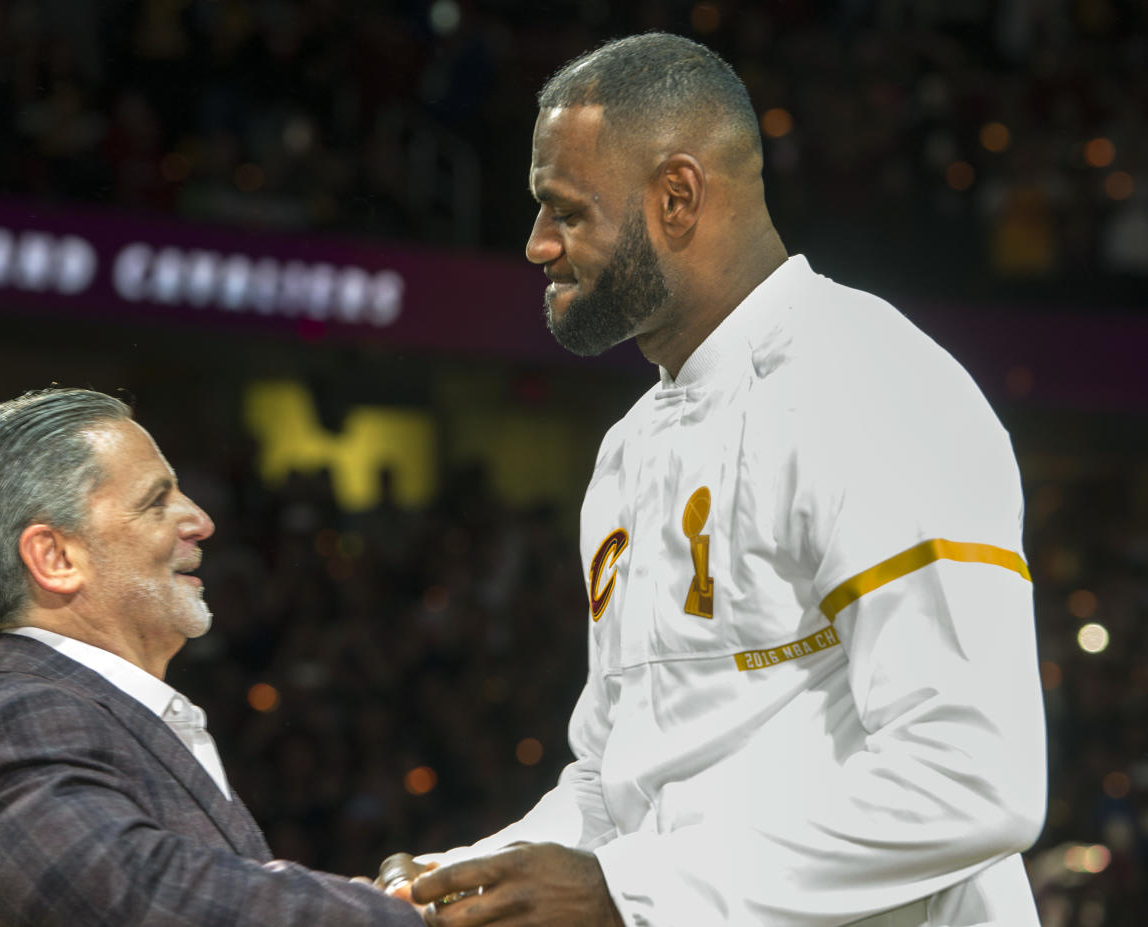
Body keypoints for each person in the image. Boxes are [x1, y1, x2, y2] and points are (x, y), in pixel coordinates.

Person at [377, 32, 1048, 927]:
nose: (538, 245)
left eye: (564, 210)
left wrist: (627, 891)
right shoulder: (628, 449)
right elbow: (622, 781)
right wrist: (456, 879)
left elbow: (973, 773)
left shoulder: (871, 383)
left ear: (678, 198)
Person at [0, 389, 420, 927]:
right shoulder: (19, 722)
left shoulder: (69, 716)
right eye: (157, 501)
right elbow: (146, 901)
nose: (201, 520)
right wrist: (396, 918)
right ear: (56, 557)